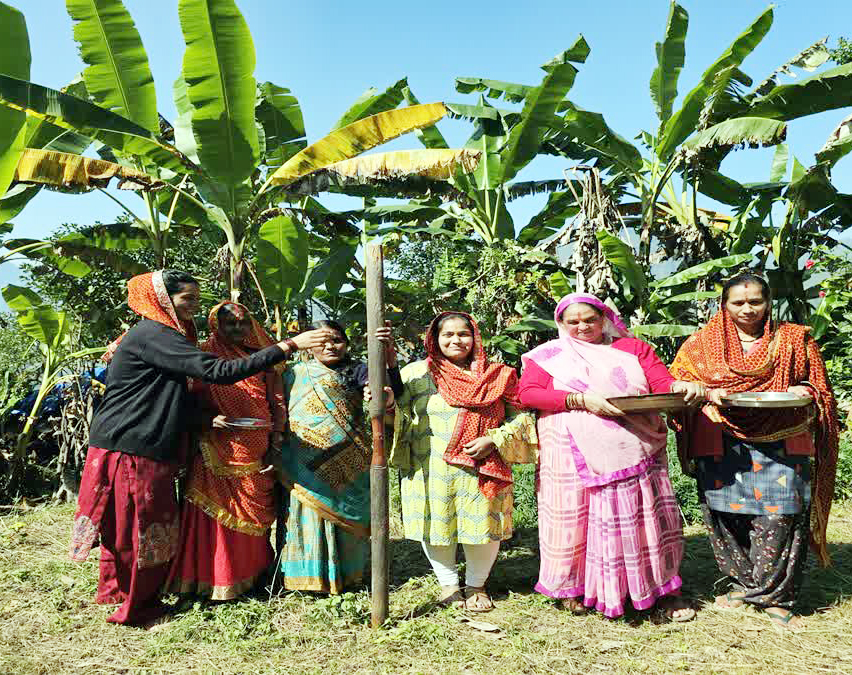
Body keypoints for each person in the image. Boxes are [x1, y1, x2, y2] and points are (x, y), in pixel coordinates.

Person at [69, 270, 332, 626]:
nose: (193, 306)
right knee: (141, 527)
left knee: (131, 523)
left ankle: (122, 590)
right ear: (163, 300)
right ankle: (136, 606)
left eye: (196, 298)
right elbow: (220, 372)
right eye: (186, 299)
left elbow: (175, 393)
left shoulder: (166, 336)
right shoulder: (154, 334)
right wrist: (289, 346)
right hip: (134, 447)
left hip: (140, 444)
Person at [518, 293, 703, 621]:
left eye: (589, 319)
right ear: (561, 324)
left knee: (643, 514)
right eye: (572, 321)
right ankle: (575, 588)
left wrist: (680, 386)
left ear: (604, 318)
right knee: (575, 516)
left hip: (634, 441)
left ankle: (658, 588)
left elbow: (661, 383)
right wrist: (580, 399)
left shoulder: (634, 349)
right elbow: (529, 394)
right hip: (569, 445)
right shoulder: (549, 356)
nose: (582, 327)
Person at [669, 273, 839, 630]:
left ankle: (777, 595)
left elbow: (819, 386)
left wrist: (804, 389)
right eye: (738, 302)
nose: (748, 309)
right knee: (726, 514)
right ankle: (743, 585)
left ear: (768, 302)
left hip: (782, 436)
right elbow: (677, 380)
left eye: (756, 301)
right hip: (719, 437)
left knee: (780, 514)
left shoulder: (794, 339)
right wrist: (692, 388)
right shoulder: (700, 344)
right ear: (724, 304)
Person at [390, 312, 538, 612]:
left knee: (483, 524)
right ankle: (448, 584)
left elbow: (521, 416)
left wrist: (493, 440)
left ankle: (476, 585)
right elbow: (396, 412)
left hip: (484, 466)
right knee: (437, 523)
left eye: (463, 334)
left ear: (475, 337)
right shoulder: (417, 374)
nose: (456, 340)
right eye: (448, 335)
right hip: (429, 465)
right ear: (435, 339)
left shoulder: (499, 375)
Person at [167, 301, 286, 600]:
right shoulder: (202, 356)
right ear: (215, 326)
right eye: (229, 323)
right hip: (212, 448)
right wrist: (206, 419)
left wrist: (276, 442)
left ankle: (253, 577)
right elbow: (183, 399)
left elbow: (278, 402)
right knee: (211, 520)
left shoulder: (263, 357)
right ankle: (211, 580)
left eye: (243, 322)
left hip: (256, 451)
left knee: (255, 517)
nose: (237, 328)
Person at [275, 320, 402, 594]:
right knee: (305, 513)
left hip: (349, 461)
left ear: (347, 344)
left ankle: (347, 575)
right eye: (321, 341)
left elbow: (382, 391)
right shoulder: (290, 373)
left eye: (336, 340)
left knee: (346, 519)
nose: (330, 346)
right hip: (302, 463)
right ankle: (302, 578)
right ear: (307, 343)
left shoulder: (357, 370)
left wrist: (377, 391)